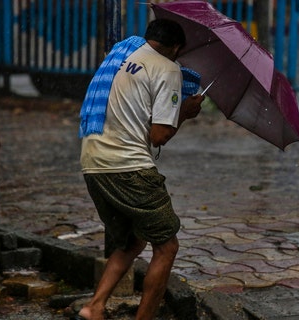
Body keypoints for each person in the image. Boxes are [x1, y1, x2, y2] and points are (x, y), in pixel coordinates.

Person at [75, 19, 204, 320]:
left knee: (133, 241)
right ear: (175, 48)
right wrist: (184, 113)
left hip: (93, 162)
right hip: (129, 167)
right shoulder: (167, 68)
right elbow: (158, 136)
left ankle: (93, 308)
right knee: (167, 246)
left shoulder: (122, 55)